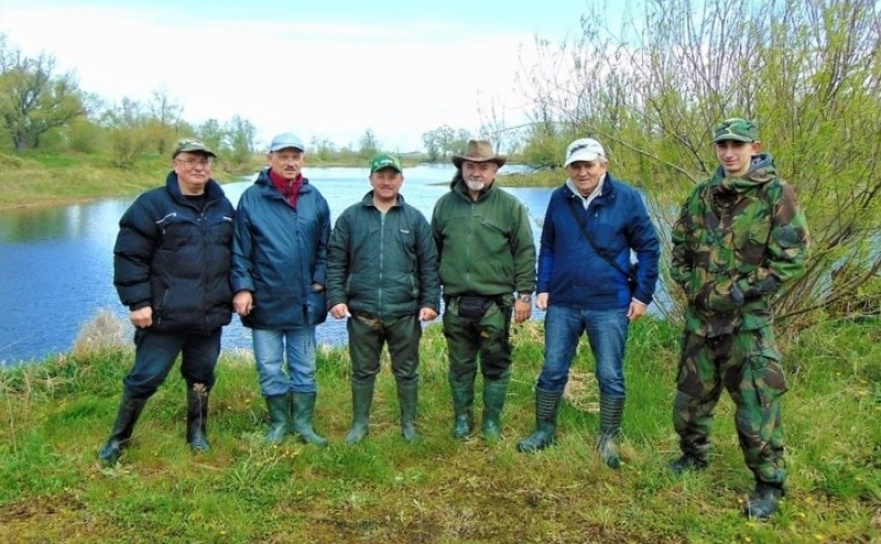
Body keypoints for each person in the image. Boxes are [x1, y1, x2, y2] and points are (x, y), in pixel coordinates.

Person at [669, 118, 809, 520]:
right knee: (690, 403)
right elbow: (680, 247)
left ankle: (769, 484)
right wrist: (690, 286)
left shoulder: (775, 195)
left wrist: (740, 292)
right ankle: (693, 458)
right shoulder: (702, 195)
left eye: (737, 145)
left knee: (756, 409)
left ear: (754, 146)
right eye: (722, 145)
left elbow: (792, 258)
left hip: (747, 326)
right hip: (700, 323)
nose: (729, 152)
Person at [516, 138, 661, 469]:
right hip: (563, 302)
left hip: (609, 303)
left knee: (609, 374)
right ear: (568, 168)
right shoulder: (558, 199)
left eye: (588, 165)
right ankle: (544, 430)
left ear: (603, 165)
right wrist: (543, 286)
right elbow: (549, 246)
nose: (582, 172)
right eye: (575, 166)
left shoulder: (626, 198)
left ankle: (608, 438)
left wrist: (642, 295)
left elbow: (649, 249)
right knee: (552, 369)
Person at [99, 139, 234, 465]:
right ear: (176, 164)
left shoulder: (223, 207)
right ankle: (119, 437)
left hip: (208, 316)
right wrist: (137, 302)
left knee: (201, 376)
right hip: (163, 317)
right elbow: (129, 255)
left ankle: (197, 433)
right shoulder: (152, 205)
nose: (198, 167)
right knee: (145, 377)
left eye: (204, 162)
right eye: (190, 161)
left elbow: (237, 255)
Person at [326, 153, 440, 444]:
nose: (386, 182)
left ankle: (409, 424)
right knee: (363, 372)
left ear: (401, 180)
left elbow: (429, 264)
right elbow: (336, 260)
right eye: (381, 176)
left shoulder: (414, 219)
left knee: (407, 371)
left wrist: (430, 303)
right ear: (371, 179)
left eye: (392, 176)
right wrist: (336, 298)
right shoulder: (351, 217)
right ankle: (360, 424)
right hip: (362, 312)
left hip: (404, 312)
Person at [431, 139, 536, 441]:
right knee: (460, 366)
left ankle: (491, 420)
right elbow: (431, 253)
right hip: (456, 304)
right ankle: (462, 418)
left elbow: (525, 252)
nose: (476, 171)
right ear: (462, 168)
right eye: (470, 166)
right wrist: (428, 297)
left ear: (495, 171)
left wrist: (524, 295)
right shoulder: (445, 205)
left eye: (483, 167)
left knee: (496, 364)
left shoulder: (510, 206)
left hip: (496, 303)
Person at [231, 133, 331, 446]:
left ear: (303, 160)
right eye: (283, 156)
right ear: (269, 158)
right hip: (265, 301)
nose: (290, 162)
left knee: (305, 367)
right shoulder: (251, 198)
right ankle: (278, 424)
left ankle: (303, 425)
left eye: (296, 156)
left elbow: (327, 247)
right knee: (270, 367)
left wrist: (319, 279)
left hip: (304, 301)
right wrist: (243, 288)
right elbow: (239, 250)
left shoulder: (315, 198)